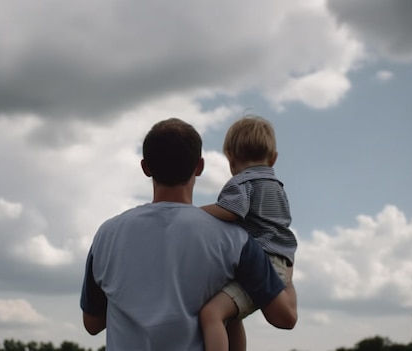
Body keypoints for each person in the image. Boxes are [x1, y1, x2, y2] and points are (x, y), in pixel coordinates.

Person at [80, 118, 297, 350]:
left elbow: (92, 323)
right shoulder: (236, 240)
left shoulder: (106, 235)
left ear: (145, 168)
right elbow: (284, 318)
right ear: (200, 167)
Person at [199, 115, 298, 351]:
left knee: (211, 314)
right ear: (273, 159)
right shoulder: (277, 187)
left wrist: (194, 213)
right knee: (232, 317)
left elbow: (230, 211)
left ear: (231, 159)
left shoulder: (242, 183)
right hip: (283, 264)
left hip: (260, 263)